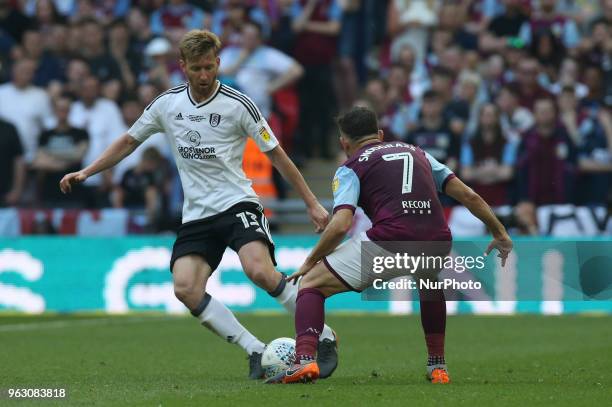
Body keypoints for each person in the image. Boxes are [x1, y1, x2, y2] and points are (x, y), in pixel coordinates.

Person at [59, 29, 338, 380]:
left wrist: (312, 204)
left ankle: (323, 337)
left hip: (237, 204)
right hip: (196, 215)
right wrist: (87, 171)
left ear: (218, 63)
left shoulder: (239, 105)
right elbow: (129, 141)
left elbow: (277, 155)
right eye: (196, 69)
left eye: (209, 67)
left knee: (260, 271)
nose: (204, 76)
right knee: (186, 288)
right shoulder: (167, 104)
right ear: (182, 67)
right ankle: (254, 350)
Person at [265, 106, 513, 384]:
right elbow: (469, 196)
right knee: (429, 285)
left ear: (343, 142)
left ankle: (305, 361)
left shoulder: (350, 166)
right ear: (380, 134)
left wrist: (311, 260)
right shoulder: (419, 153)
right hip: (437, 239)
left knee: (310, 284)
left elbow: (341, 224)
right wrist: (499, 232)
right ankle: (438, 367)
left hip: (391, 240)